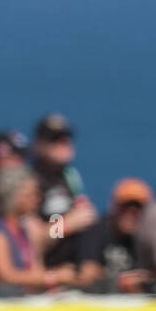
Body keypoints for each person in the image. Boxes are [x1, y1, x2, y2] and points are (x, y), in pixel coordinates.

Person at [0, 164, 75, 291]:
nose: (37, 199)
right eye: (31, 194)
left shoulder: (24, 229)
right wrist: (65, 225)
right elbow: (4, 276)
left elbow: (36, 268)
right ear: (13, 197)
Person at [31, 113, 102, 273]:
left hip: (74, 273)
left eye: (67, 137)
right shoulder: (31, 181)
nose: (64, 143)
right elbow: (30, 240)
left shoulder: (70, 177)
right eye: (55, 139)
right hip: (47, 274)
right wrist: (66, 225)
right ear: (38, 144)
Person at [95, 178, 153, 293]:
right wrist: (120, 283)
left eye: (137, 209)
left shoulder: (140, 241)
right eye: (126, 208)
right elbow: (87, 277)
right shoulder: (97, 232)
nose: (131, 214)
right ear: (113, 206)